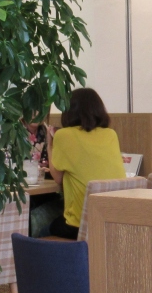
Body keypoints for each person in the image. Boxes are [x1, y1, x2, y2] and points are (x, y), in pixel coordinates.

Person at [43, 88, 125, 240]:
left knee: (40, 229)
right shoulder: (111, 134)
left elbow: (58, 178)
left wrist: (50, 145)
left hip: (79, 224)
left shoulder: (64, 135)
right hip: (111, 221)